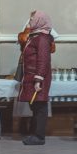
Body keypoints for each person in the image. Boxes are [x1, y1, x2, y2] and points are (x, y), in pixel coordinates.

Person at [18, 10, 53, 146]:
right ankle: (35, 134)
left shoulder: (42, 39)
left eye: (32, 19)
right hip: (33, 76)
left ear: (40, 21)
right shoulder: (35, 36)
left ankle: (39, 136)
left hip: (38, 78)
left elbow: (43, 60)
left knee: (40, 106)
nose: (30, 21)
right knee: (35, 106)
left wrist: (39, 79)